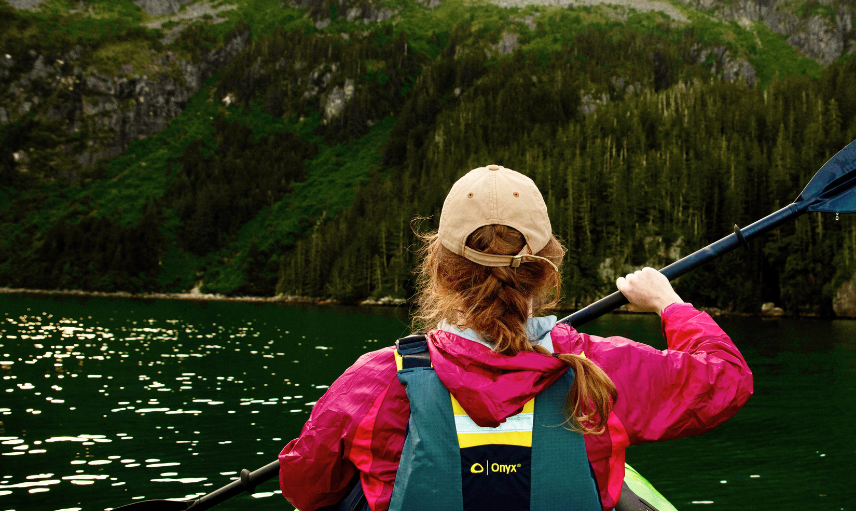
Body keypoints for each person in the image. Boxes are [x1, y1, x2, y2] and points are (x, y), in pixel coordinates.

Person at [279, 164, 754, 511]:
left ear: (440, 271)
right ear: (547, 268)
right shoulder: (596, 368)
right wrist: (668, 303)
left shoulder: (380, 378)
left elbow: (304, 486)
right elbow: (727, 379)